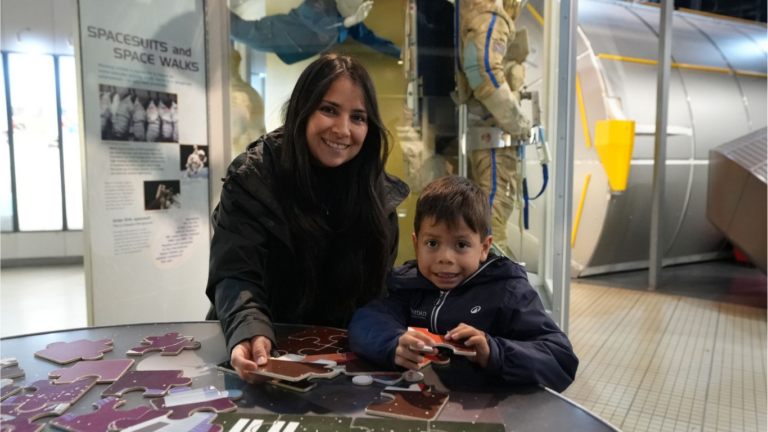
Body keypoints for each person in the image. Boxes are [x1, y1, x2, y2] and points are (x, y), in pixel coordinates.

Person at [205, 53, 409, 383]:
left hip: (342, 360)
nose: (343, 130)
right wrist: (248, 329)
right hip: (260, 349)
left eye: (358, 117)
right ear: (302, 110)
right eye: (328, 110)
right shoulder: (253, 177)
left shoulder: (378, 195)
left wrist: (388, 338)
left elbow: (378, 296)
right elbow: (235, 274)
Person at [348, 175, 577, 392]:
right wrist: (393, 342)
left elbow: (560, 359)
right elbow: (366, 321)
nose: (445, 257)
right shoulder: (407, 285)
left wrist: (494, 351)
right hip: (420, 404)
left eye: (461, 245)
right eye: (432, 243)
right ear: (417, 245)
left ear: (484, 248)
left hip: (487, 411)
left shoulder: (509, 292)